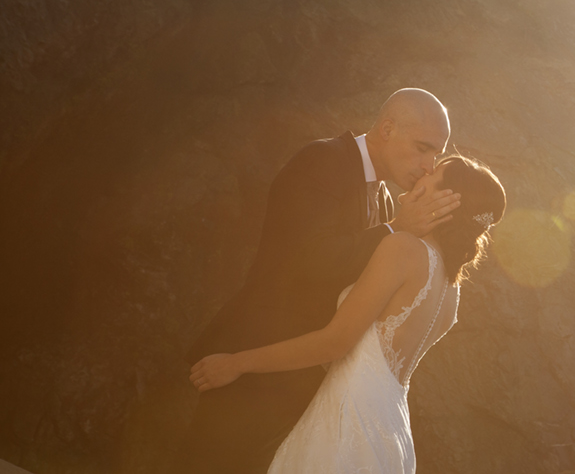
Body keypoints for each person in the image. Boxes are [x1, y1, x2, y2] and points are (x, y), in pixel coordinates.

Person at [178, 88, 462, 474]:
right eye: (423, 147)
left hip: (307, 386)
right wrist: (395, 230)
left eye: (437, 154)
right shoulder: (321, 161)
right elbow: (305, 259)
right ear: (388, 128)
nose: (429, 165)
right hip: (251, 370)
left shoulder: (383, 201)